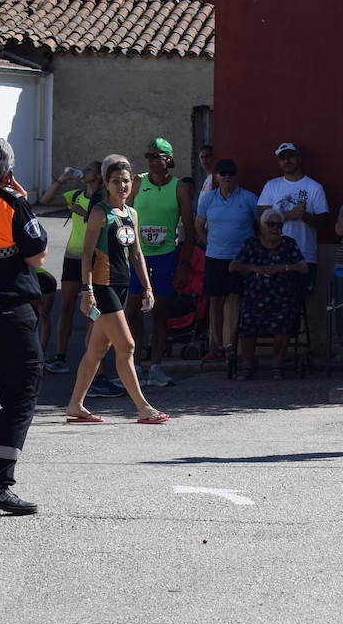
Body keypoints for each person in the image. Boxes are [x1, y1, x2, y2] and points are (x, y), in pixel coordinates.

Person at [0, 135, 48, 514]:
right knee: (20, 396)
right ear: (7, 170)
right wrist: (20, 199)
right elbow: (37, 256)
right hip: (10, 316)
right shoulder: (11, 203)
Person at [65, 155, 169, 425]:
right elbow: (87, 254)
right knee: (128, 346)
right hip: (102, 287)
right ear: (106, 183)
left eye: (125, 181)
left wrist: (147, 286)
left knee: (97, 350)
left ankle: (75, 405)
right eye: (115, 182)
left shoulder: (131, 213)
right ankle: (143, 407)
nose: (122, 186)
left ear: (132, 183)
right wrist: (87, 291)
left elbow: (136, 253)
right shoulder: (99, 212)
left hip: (122, 286)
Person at [126, 137, 195, 387]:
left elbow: (189, 226)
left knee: (161, 312)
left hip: (166, 255)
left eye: (156, 156)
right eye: (148, 156)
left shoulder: (179, 188)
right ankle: (133, 365)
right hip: (138, 254)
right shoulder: (137, 182)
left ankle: (155, 366)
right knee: (132, 309)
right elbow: (123, 214)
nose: (151, 160)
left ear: (168, 159)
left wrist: (185, 264)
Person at [39, 160, 102, 376]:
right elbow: (45, 200)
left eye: (89, 169)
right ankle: (60, 357)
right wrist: (61, 180)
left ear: (99, 175)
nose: (84, 171)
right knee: (65, 306)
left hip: (93, 257)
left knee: (89, 309)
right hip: (72, 256)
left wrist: (83, 214)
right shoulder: (75, 195)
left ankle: (90, 360)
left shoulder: (103, 198)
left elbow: (106, 223)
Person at [195, 158, 258, 362]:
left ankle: (233, 344)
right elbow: (199, 225)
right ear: (216, 176)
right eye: (223, 173)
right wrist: (209, 244)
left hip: (240, 259)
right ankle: (217, 346)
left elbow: (260, 225)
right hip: (215, 257)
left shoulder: (249, 198)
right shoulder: (207, 199)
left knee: (236, 300)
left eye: (230, 173)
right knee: (215, 302)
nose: (227, 177)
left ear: (236, 175)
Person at [229, 208, 304, 380]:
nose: (275, 228)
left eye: (279, 225)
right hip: (255, 298)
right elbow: (233, 266)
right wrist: (253, 268)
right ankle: (247, 364)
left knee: (284, 319)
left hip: (282, 298)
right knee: (247, 320)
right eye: (271, 224)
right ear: (261, 226)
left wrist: (283, 268)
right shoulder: (251, 244)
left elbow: (303, 267)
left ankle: (277, 364)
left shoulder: (288, 244)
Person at [258, 142, 328, 309]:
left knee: (303, 303)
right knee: (275, 303)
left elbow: (322, 221)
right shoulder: (271, 186)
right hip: (274, 254)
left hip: (305, 255)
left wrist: (303, 215)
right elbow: (261, 217)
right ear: (278, 162)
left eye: (290, 156)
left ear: (299, 158)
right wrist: (289, 215)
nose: (287, 160)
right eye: (282, 157)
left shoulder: (314, 187)